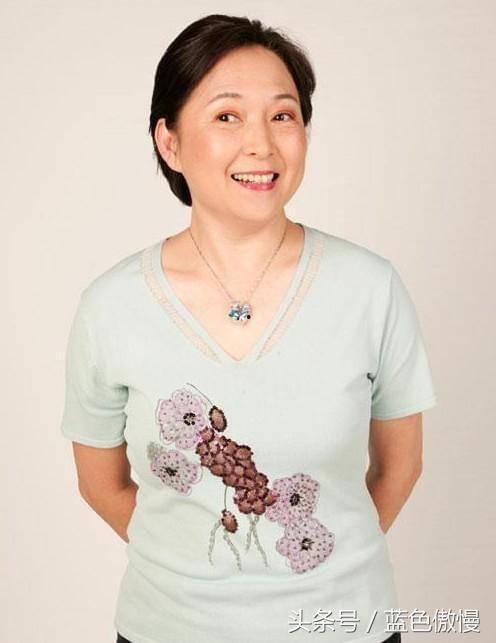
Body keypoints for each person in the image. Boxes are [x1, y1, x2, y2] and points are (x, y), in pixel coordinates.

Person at [60, 13, 437, 643]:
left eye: (283, 115)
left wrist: (316, 576)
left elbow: (401, 467)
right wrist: (200, 583)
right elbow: (100, 484)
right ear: (169, 141)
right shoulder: (111, 305)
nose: (261, 144)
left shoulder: (370, 288)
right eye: (227, 116)